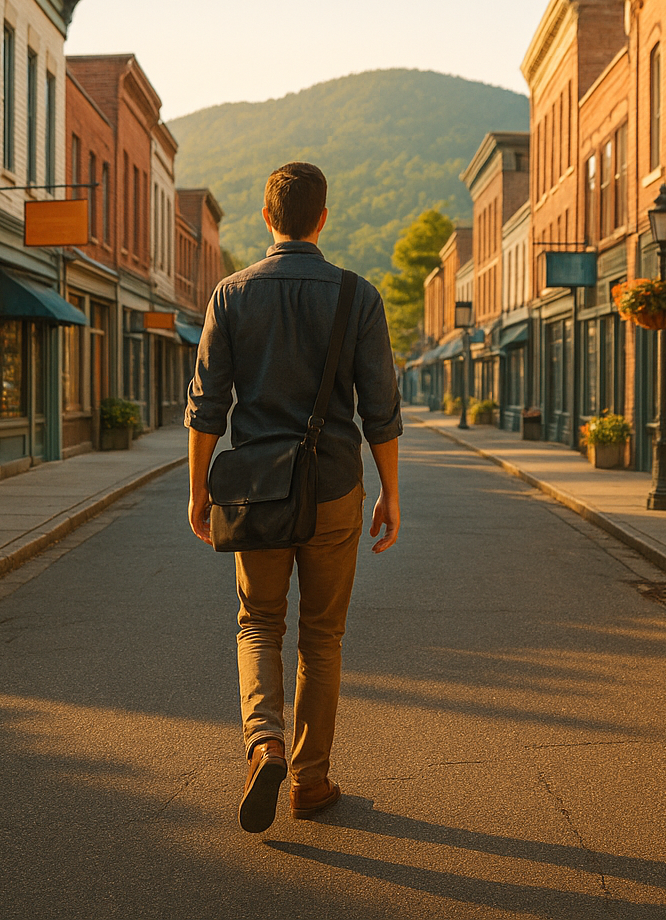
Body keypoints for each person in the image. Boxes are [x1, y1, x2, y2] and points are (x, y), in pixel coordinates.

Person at [186, 161, 402, 834]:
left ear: (267, 217)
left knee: (258, 623)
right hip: (335, 487)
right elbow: (382, 409)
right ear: (323, 219)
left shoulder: (231, 293)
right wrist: (390, 492)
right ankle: (310, 781)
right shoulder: (356, 295)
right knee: (322, 638)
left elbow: (207, 405)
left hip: (255, 494)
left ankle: (265, 744)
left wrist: (199, 490)